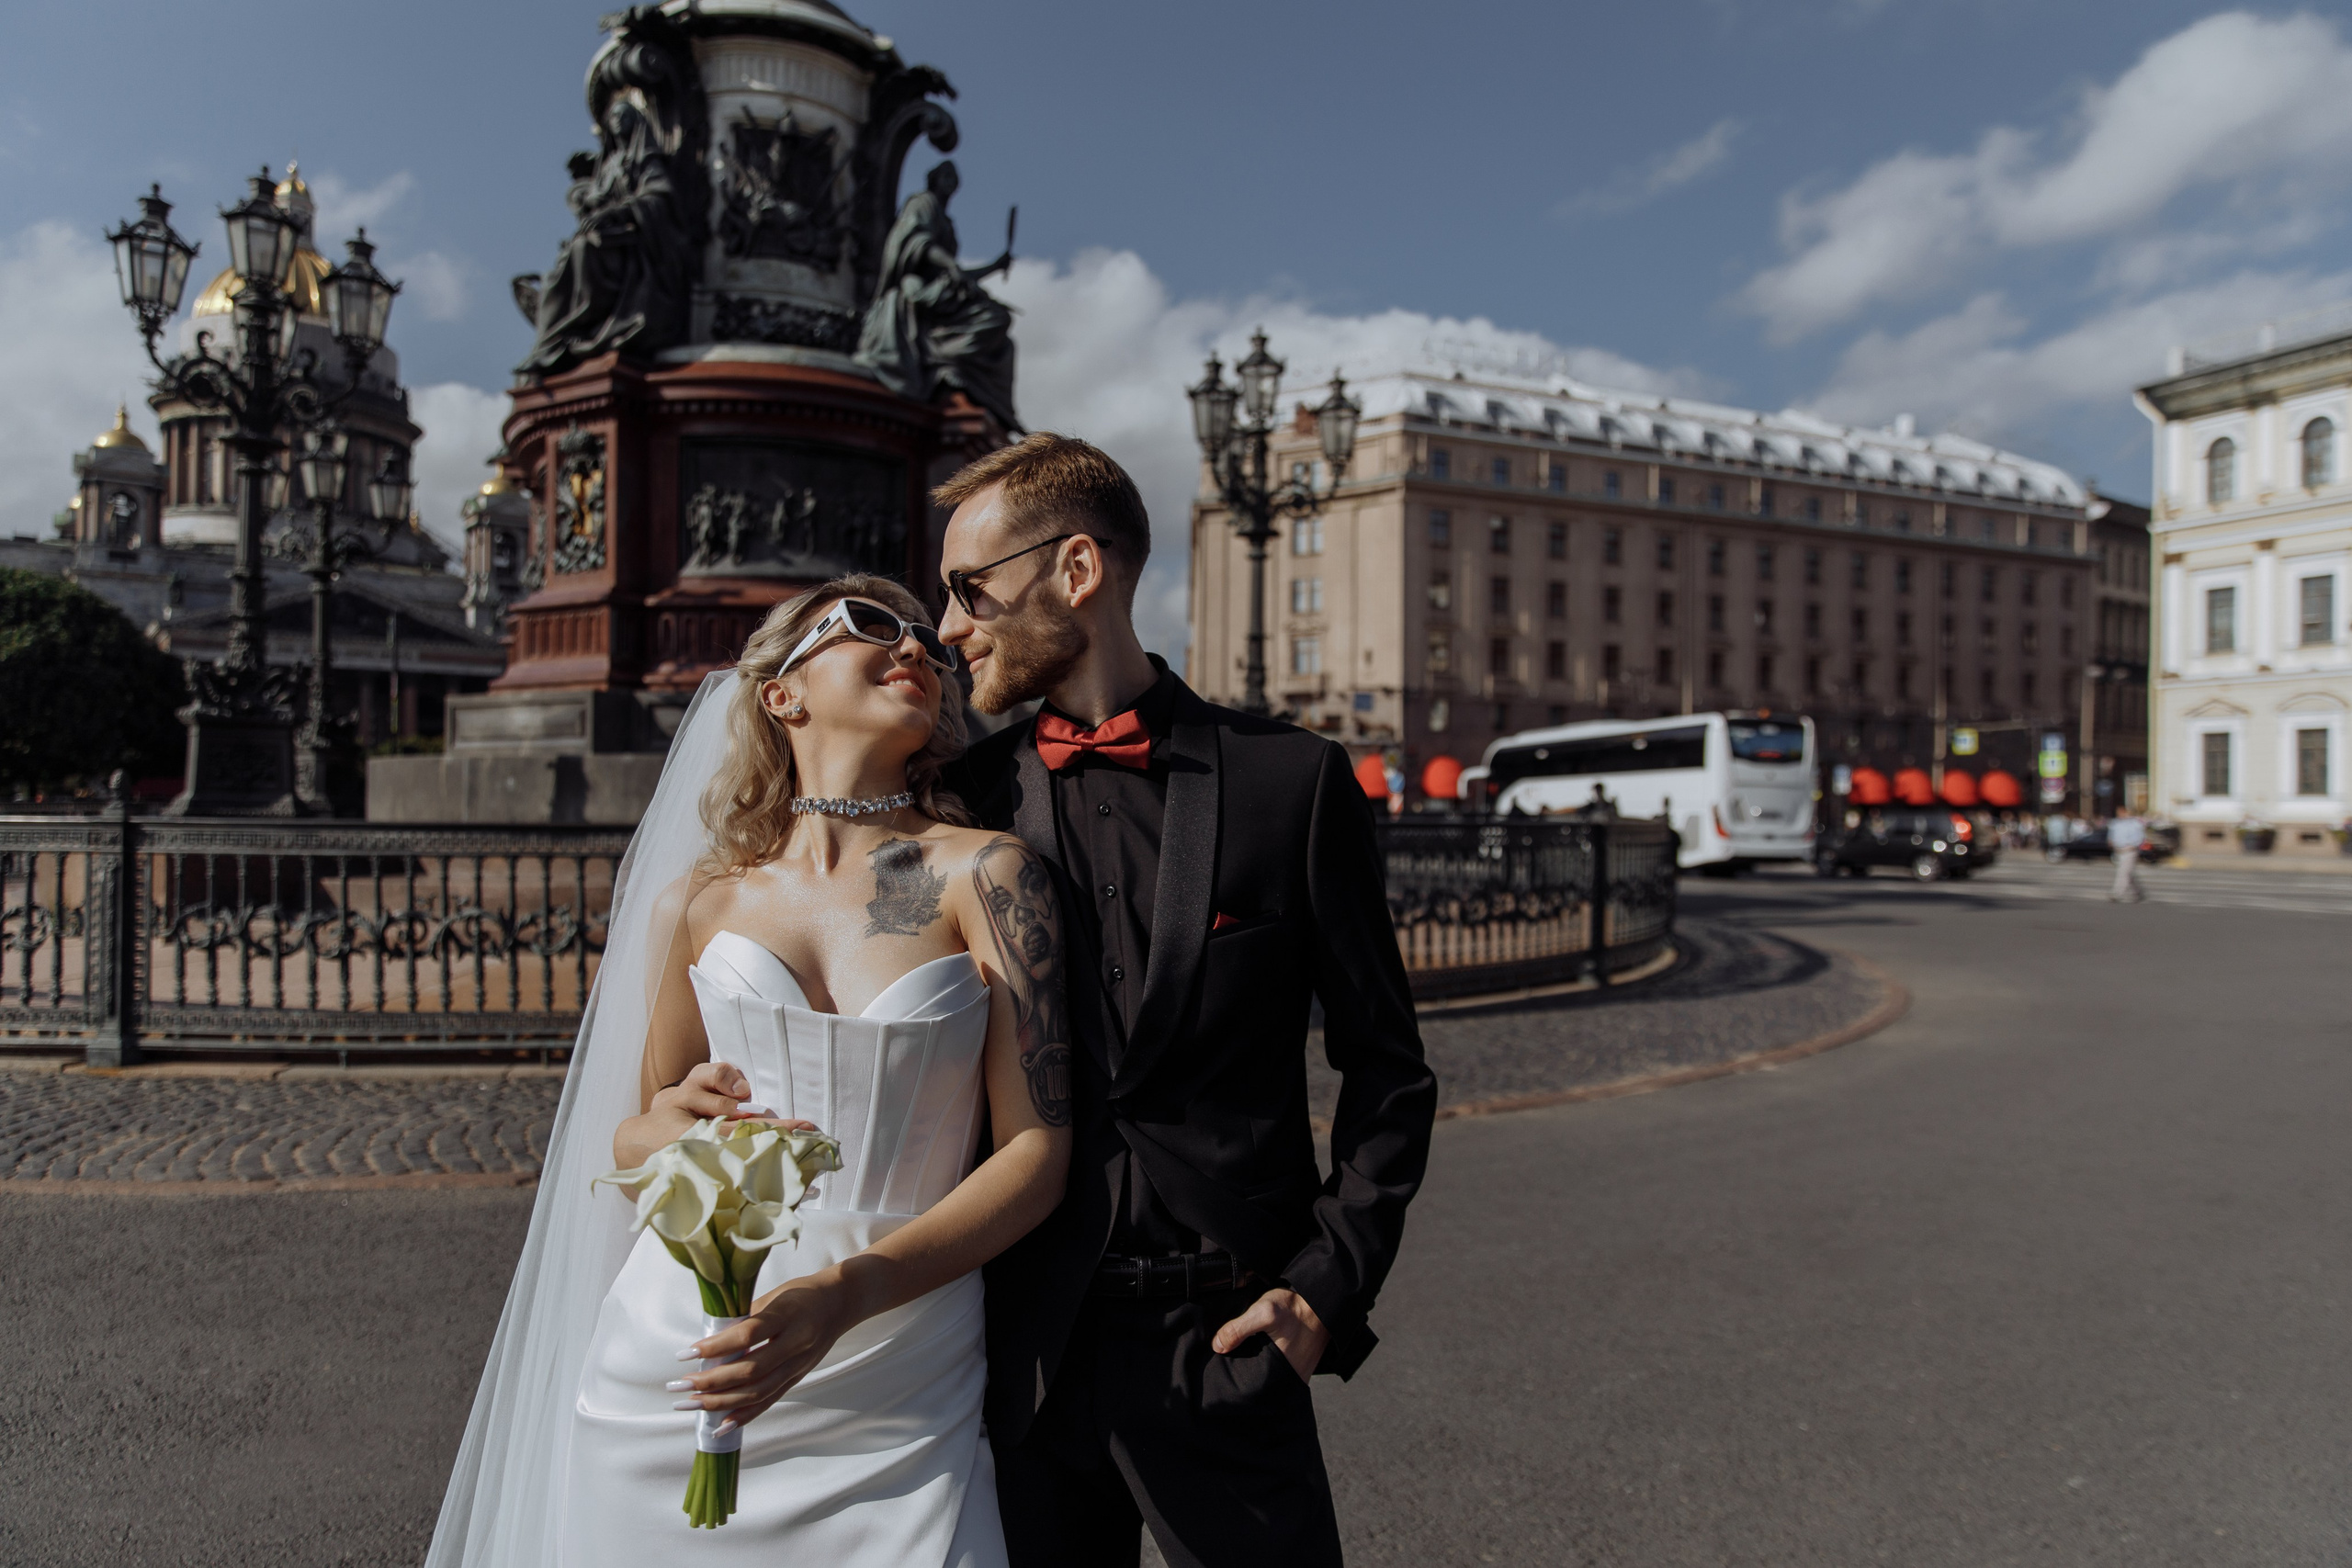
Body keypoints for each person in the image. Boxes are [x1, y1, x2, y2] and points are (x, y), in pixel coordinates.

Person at [427, 576, 1071, 1567]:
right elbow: (637, 1134)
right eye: (869, 627)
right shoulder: (700, 901)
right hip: (688, 1350)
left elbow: (1036, 1154)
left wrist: (847, 1293)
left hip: (895, 1356)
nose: (915, 646)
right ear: (782, 693)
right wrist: (679, 1129)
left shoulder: (986, 875)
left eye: (923, 636)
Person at [933, 433, 1438, 1567]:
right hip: (1024, 1356)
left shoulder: (1291, 780)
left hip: (1226, 1339)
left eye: (969, 589)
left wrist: (1325, 1285)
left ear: (1076, 570)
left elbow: (1389, 1069)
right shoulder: (961, 803)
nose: (953, 625)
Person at [2109, 809, 2147, 903]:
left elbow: (2140, 837)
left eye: (2123, 812)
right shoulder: (2115, 823)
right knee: (2127, 873)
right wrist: (2112, 844)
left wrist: (2133, 846)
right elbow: (2111, 836)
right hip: (2118, 850)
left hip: (2129, 850)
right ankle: (2138, 892)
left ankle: (2117, 893)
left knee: (2122, 872)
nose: (2121, 814)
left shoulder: (2135, 824)